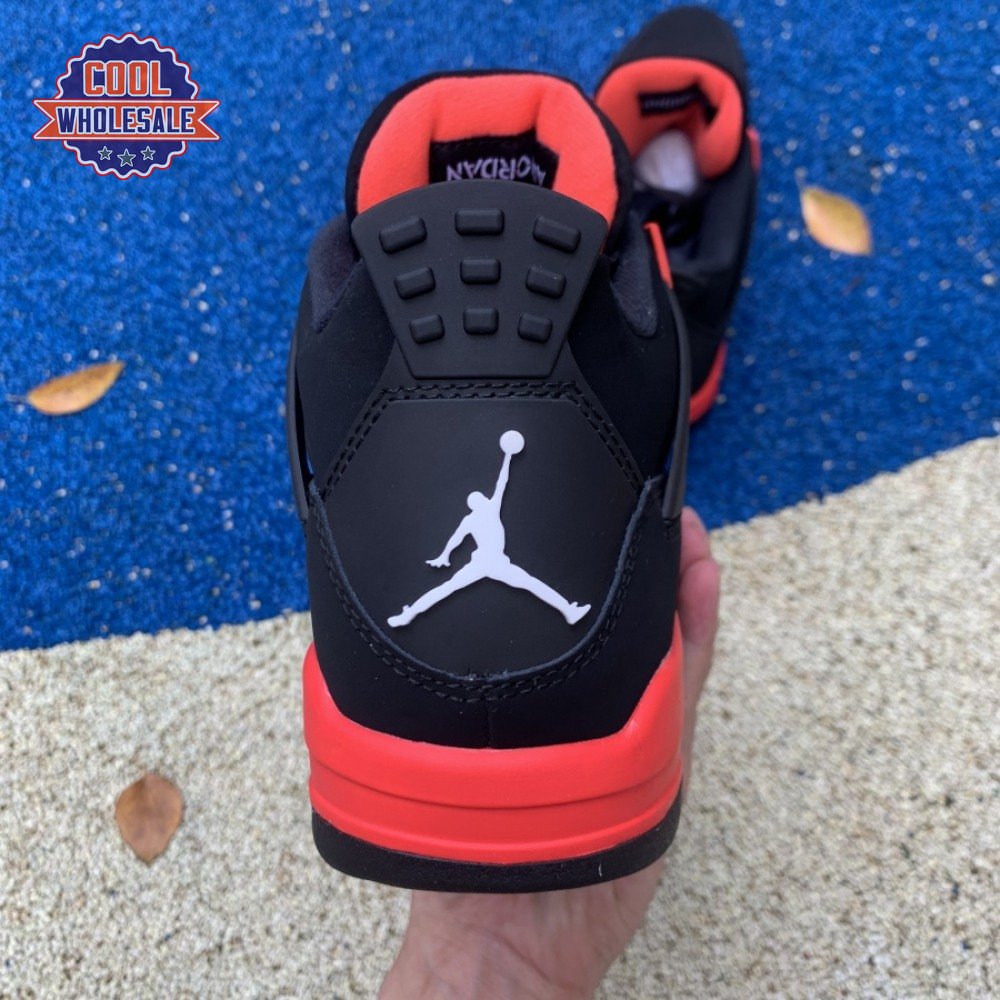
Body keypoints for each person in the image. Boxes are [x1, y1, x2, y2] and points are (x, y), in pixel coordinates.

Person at [380, 507, 721, 998]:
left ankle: (552, 614)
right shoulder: (477, 517)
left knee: (511, 586)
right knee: (482, 588)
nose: (475, 500)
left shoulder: (486, 508)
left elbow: (495, 488)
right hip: (485, 564)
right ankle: (419, 616)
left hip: (492, 564)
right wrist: (442, 556)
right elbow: (460, 532)